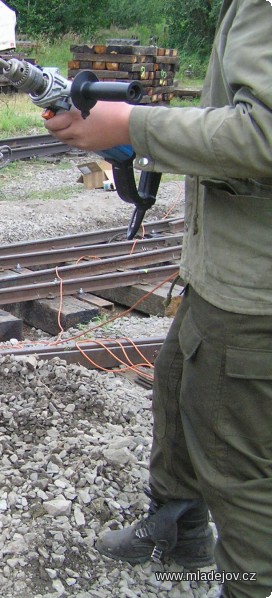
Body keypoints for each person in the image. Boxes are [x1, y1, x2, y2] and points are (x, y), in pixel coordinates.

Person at [44, 1, 272, 596]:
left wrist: (134, 126)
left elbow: (264, 132)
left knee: (238, 468)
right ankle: (179, 532)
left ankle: (247, 584)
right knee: (176, 390)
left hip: (255, 294)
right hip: (224, 274)